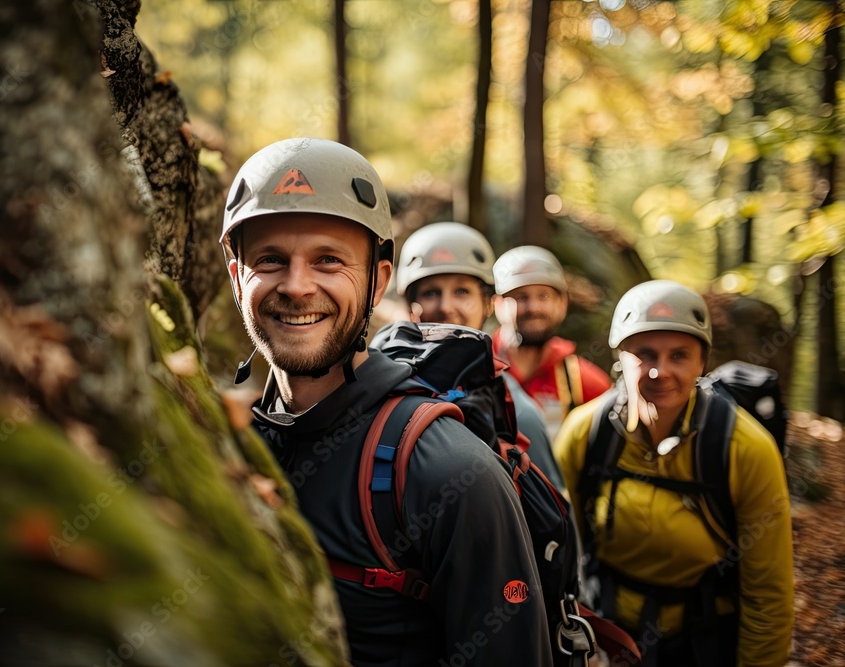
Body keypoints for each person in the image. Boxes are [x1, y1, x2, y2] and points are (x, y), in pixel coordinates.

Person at [221, 138, 553, 667]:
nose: (298, 286)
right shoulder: (222, 447)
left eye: (329, 260)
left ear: (377, 282)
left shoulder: (449, 472)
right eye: (271, 260)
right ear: (238, 277)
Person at [553, 280, 794, 667]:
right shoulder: (585, 434)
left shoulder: (745, 449)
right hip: (610, 637)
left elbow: (768, 590)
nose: (659, 372)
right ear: (620, 357)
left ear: (702, 363)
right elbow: (564, 552)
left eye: (679, 355)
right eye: (644, 354)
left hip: (705, 640)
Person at [395, 221, 564, 490]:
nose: (446, 307)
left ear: (488, 304)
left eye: (462, 291)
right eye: (430, 293)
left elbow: (551, 524)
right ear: (411, 307)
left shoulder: (519, 416)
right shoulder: (380, 386)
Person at [492, 246, 611, 438]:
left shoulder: (585, 383)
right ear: (497, 304)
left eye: (544, 296)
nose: (533, 307)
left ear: (562, 303)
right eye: (521, 297)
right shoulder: (477, 370)